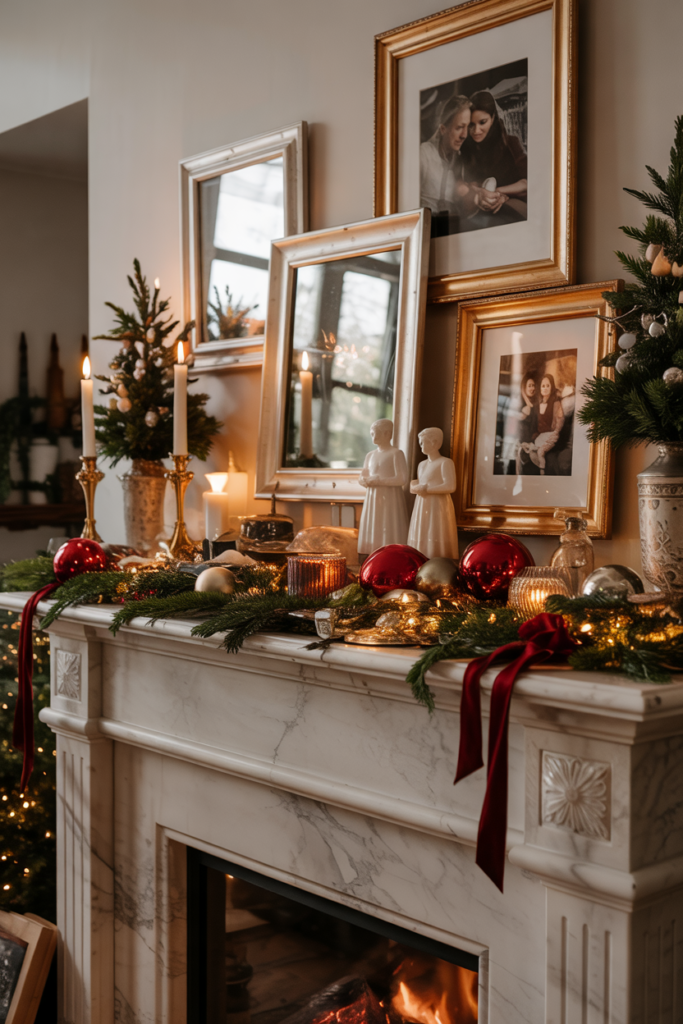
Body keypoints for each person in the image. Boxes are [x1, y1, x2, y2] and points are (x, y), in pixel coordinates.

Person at [460, 90, 527, 226]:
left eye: (482, 122)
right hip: (480, 209)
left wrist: (497, 193)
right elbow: (467, 184)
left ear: (493, 117)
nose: (476, 131)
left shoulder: (511, 142)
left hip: (514, 206)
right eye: (471, 125)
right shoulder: (465, 148)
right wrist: (480, 193)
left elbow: (526, 183)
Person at [420, 95, 472, 237]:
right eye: (459, 127)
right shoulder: (424, 154)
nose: (464, 135)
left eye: (467, 127)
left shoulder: (462, 161)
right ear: (443, 129)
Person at [357, 419, 409, 556]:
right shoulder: (370, 455)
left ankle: (391, 553)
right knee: (374, 524)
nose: (373, 437)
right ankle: (372, 553)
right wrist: (364, 480)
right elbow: (363, 476)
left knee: (388, 523)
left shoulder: (396, 454)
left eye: (376, 434)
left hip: (390, 498)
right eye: (372, 434)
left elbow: (402, 479)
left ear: (387, 434)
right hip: (373, 497)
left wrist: (379, 481)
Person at [407, 427, 458, 559]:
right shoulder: (422, 465)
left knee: (436, 530)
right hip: (422, 504)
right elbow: (420, 482)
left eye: (423, 443)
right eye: (420, 443)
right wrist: (416, 486)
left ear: (435, 443)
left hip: (438, 505)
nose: (421, 446)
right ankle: (420, 557)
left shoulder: (445, 463)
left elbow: (450, 486)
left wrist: (426, 489)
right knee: (423, 530)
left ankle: (438, 559)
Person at [523, 373, 565, 474]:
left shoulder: (556, 403)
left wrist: (554, 435)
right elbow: (535, 426)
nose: (545, 388)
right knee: (527, 451)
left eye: (548, 386)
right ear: (540, 388)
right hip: (539, 437)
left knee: (542, 453)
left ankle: (543, 473)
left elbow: (559, 423)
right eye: (543, 386)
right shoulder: (537, 405)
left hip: (551, 437)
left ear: (551, 387)